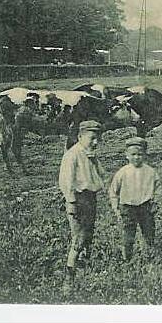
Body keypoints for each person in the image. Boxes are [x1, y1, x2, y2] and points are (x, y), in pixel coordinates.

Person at [57, 120, 107, 291]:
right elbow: (66, 181)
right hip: (77, 199)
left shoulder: (90, 154)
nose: (95, 142)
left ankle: (84, 265)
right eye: (92, 138)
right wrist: (70, 202)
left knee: (89, 232)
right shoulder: (72, 155)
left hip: (90, 197)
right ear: (80, 137)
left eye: (98, 139)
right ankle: (69, 273)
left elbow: (102, 175)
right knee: (79, 236)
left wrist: (95, 161)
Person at [108, 137, 161, 261]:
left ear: (145, 155)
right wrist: (115, 207)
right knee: (128, 233)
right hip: (127, 207)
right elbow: (113, 190)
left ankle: (150, 256)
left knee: (149, 231)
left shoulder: (150, 172)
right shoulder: (123, 172)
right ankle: (127, 258)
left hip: (145, 206)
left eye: (140, 154)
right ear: (127, 155)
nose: (137, 157)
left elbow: (158, 188)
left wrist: (156, 202)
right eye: (133, 154)